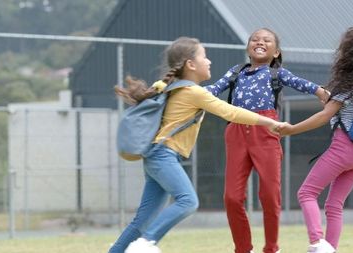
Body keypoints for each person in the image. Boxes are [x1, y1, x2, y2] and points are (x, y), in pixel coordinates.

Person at [109, 36, 285, 253]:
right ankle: (146, 243)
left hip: (156, 156)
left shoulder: (175, 88)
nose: (209, 61)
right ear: (191, 65)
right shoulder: (193, 92)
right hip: (164, 155)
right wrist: (267, 121)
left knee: (142, 221)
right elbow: (230, 111)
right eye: (204, 56)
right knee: (188, 201)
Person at [205, 28, 329, 253]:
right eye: (255, 39)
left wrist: (320, 91)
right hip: (236, 132)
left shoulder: (276, 73)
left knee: (270, 195)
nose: (259, 42)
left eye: (266, 40)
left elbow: (300, 82)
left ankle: (271, 248)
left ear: (276, 52)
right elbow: (212, 90)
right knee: (232, 197)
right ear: (248, 47)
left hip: (266, 131)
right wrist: (186, 93)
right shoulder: (235, 72)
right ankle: (243, 248)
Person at [276, 25, 353, 253]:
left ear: (350, 53)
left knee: (306, 193)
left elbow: (324, 115)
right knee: (334, 205)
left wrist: (292, 129)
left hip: (343, 148)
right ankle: (331, 248)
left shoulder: (349, 83)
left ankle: (317, 242)